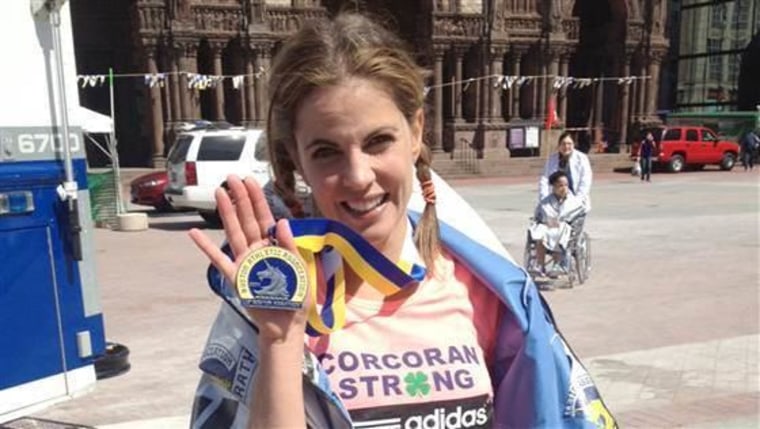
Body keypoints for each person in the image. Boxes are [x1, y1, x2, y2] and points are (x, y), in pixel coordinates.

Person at [187, 13, 614, 429]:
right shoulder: (275, 298)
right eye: (325, 152)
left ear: (416, 132)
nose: (358, 176)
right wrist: (280, 340)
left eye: (378, 142)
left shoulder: (486, 292)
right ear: (296, 158)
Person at [529, 170, 586, 282]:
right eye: (560, 185)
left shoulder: (574, 202)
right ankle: (540, 265)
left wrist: (561, 223)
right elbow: (539, 216)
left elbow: (578, 217)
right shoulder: (545, 202)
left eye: (566, 185)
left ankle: (558, 264)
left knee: (559, 233)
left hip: (566, 229)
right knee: (540, 233)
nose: (564, 188)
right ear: (553, 187)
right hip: (547, 226)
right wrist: (546, 222)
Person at [539, 131, 593, 211]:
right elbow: (545, 179)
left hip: (577, 202)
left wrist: (577, 201)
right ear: (559, 145)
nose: (566, 146)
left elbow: (585, 181)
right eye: (563, 144)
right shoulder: (552, 159)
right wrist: (544, 198)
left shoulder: (582, 158)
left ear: (574, 145)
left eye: (569, 144)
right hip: (556, 203)